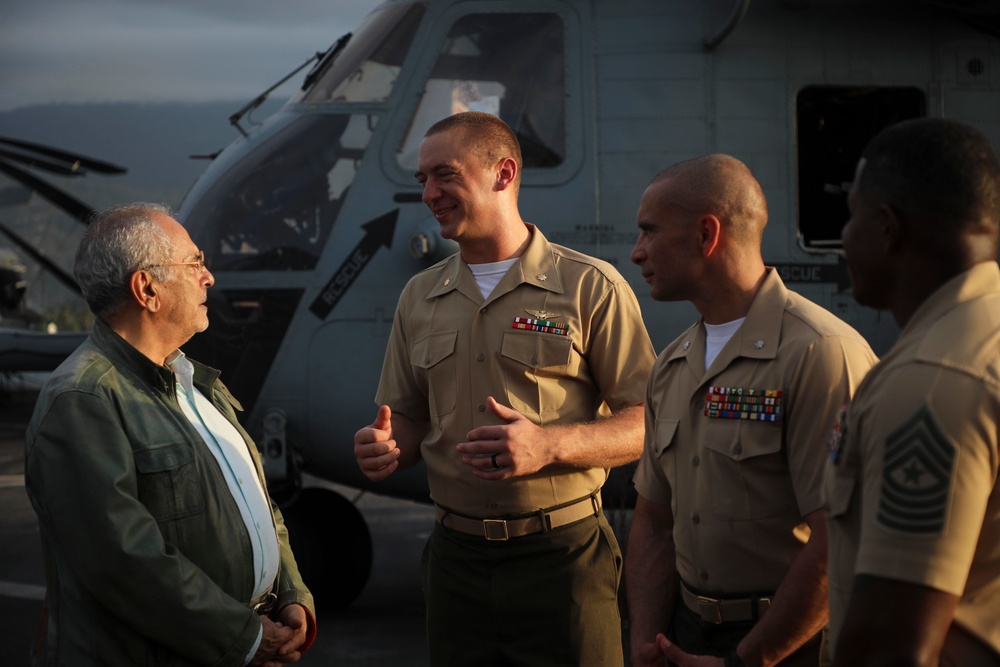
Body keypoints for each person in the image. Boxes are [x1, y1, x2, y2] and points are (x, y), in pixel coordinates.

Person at [354, 111, 655, 666]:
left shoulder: (590, 287)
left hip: (562, 560)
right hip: (455, 564)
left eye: (444, 175)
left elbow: (649, 423)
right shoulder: (418, 298)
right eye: (422, 179)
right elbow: (408, 421)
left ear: (503, 173)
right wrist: (386, 449)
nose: (429, 193)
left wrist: (549, 445)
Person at [25, 203, 316, 667]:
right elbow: (124, 561)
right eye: (195, 262)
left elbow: (256, 501)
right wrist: (243, 636)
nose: (209, 278)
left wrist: (292, 595)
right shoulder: (82, 399)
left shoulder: (196, 380)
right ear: (147, 289)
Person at [626, 154, 877, 667]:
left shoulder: (819, 353)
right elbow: (654, 520)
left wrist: (746, 661)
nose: (636, 253)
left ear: (706, 235)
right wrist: (647, 643)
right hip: (687, 636)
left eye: (650, 232)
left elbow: (842, 537)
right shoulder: (672, 366)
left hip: (793, 644)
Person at [826, 118, 1000, 665]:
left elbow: (891, 645)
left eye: (851, 216)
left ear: (886, 227)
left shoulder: (929, 381)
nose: (843, 238)